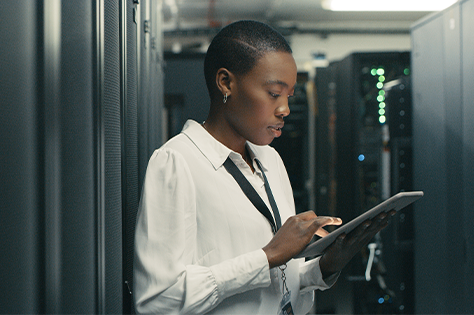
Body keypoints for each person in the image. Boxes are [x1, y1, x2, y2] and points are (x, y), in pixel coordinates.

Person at [133, 20, 394, 315]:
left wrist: (323, 267)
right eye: (273, 94)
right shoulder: (177, 162)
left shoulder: (269, 159)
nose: (285, 109)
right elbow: (156, 301)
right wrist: (267, 256)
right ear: (226, 83)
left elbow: (277, 283)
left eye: (289, 96)